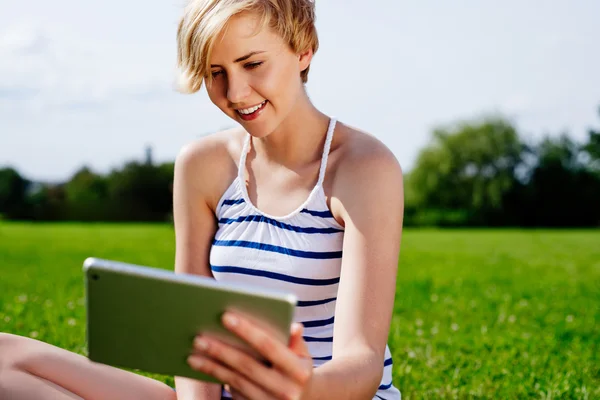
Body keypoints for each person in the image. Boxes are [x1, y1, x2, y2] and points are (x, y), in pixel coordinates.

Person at [0, 0, 404, 399]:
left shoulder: (363, 167)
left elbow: (362, 362)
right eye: (215, 72)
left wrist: (302, 388)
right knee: (5, 356)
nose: (235, 92)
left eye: (252, 64)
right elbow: (190, 334)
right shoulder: (202, 165)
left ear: (303, 49)